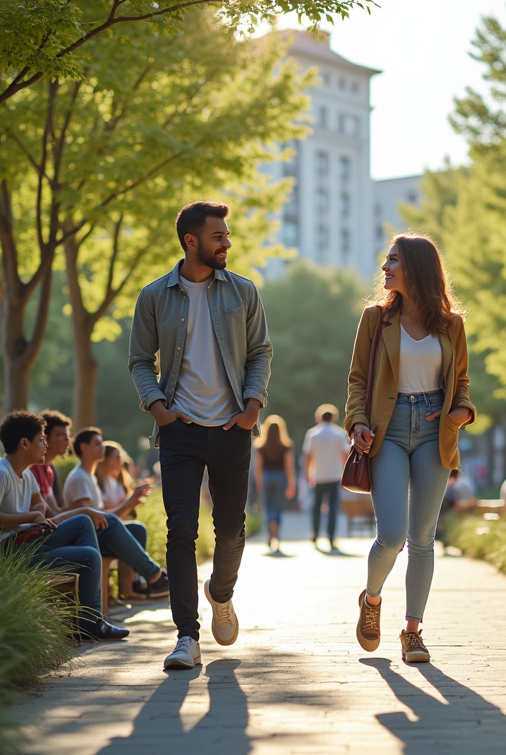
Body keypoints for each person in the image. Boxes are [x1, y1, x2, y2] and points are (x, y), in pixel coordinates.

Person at [129, 200, 272, 671]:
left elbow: (259, 352)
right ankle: (186, 636)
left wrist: (252, 406)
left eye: (227, 236)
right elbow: (139, 361)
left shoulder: (243, 292)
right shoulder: (154, 297)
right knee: (181, 530)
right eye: (218, 237)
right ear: (191, 242)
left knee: (231, 532)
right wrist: (158, 408)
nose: (227, 243)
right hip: (180, 432)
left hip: (233, 427)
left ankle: (221, 593)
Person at [348, 234, 476, 664]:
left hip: (433, 428)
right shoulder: (374, 320)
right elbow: (357, 380)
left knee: (422, 539)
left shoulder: (451, 325)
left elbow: (462, 383)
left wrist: (461, 413)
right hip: (388, 427)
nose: (385, 267)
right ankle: (372, 599)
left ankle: (413, 631)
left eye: (393, 260)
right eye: (386, 259)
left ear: (416, 268)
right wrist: (357, 422)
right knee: (392, 536)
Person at [0, 411, 128, 641]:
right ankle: (90, 621)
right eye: (41, 440)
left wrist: (83, 511)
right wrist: (28, 517)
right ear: (25, 443)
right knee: (89, 556)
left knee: (83, 524)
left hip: (27, 542)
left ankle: (88, 619)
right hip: (5, 552)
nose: (45, 445)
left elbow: (44, 514)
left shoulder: (27, 476)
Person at [58, 426, 168, 598]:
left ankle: (130, 588)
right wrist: (130, 502)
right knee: (116, 523)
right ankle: (154, 576)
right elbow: (92, 520)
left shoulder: (89, 477)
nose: (102, 447)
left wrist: (131, 503)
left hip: (97, 534)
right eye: (97, 444)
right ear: (83, 448)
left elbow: (101, 514)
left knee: (137, 528)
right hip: (84, 539)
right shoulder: (79, 477)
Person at [303, 403, 351, 549]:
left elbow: (308, 456)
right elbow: (345, 455)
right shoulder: (339, 434)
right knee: (333, 507)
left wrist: (307, 475)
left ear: (319, 417)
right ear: (334, 417)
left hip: (318, 476)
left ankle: (315, 535)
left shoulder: (312, 434)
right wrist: (346, 473)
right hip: (335, 475)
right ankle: (331, 537)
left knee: (316, 507)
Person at [253, 415, 296, 553]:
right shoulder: (286, 445)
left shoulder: (261, 446)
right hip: (280, 478)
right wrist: (291, 484)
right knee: (277, 507)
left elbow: (258, 467)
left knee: (267, 507)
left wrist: (258, 482)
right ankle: (276, 536)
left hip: (266, 477)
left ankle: (269, 537)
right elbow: (289, 466)